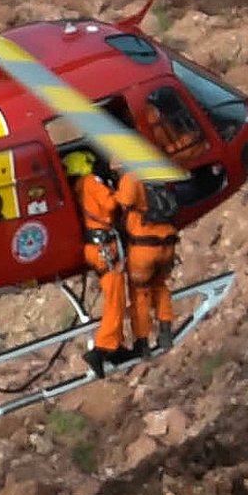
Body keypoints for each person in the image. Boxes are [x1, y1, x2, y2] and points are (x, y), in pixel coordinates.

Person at [71, 147, 179, 373]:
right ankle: (104, 348)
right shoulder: (91, 183)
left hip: (117, 246)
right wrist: (115, 190)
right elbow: (111, 205)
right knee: (121, 297)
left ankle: (116, 345)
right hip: (108, 248)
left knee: (124, 295)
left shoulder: (91, 184)